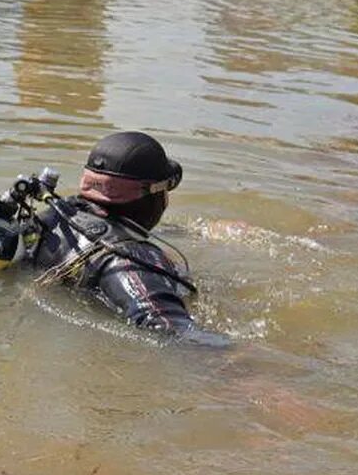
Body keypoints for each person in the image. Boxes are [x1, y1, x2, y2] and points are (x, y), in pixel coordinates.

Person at [28, 131, 220, 343]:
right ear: (155, 193)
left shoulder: (55, 217)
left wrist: (201, 230)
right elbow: (174, 332)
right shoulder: (130, 259)